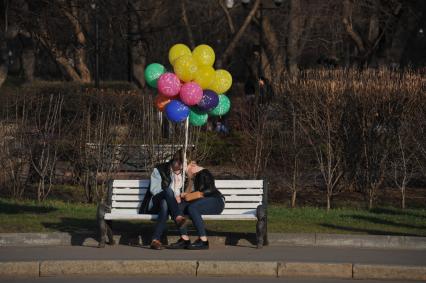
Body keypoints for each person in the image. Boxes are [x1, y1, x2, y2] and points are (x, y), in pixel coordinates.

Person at [168, 155, 225, 250]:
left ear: (193, 167)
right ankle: (184, 238)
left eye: (187, 171)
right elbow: (191, 194)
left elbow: (210, 190)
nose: (186, 174)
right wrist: (182, 197)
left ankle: (203, 240)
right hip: (202, 202)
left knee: (192, 208)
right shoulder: (192, 178)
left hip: (216, 201)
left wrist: (189, 195)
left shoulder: (204, 173)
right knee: (178, 207)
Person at [143, 149, 186, 250]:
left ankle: (155, 240)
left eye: (183, 163)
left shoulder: (185, 173)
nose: (181, 166)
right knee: (167, 192)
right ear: (174, 160)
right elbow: (154, 190)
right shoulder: (159, 169)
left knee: (165, 203)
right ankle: (178, 217)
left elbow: (188, 192)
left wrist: (181, 196)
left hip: (172, 205)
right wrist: (171, 196)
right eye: (179, 162)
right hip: (155, 202)